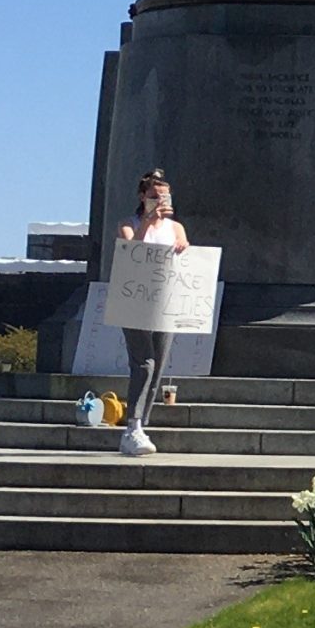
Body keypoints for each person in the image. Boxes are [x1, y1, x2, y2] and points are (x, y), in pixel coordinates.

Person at [114, 171, 192, 458]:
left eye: (165, 197)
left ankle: (141, 424)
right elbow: (130, 250)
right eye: (154, 196)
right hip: (134, 300)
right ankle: (132, 425)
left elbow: (184, 253)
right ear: (142, 197)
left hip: (163, 301)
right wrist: (147, 221)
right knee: (143, 362)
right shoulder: (128, 224)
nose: (161, 202)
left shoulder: (175, 227)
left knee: (157, 364)